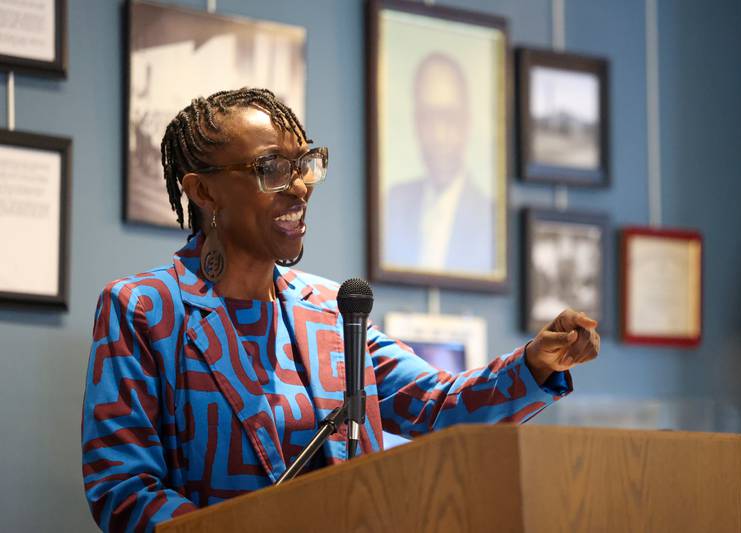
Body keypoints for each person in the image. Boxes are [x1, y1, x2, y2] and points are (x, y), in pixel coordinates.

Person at [81, 87, 600, 532]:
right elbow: (123, 487)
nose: (301, 186)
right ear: (204, 191)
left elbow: (439, 407)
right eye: (272, 169)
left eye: (304, 165)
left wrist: (535, 364)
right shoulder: (146, 311)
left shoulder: (333, 309)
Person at [384, 53, 495, 273]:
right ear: (416, 123)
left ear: (466, 123)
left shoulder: (491, 217)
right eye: (428, 117)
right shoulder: (392, 204)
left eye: (449, 117)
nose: (438, 134)